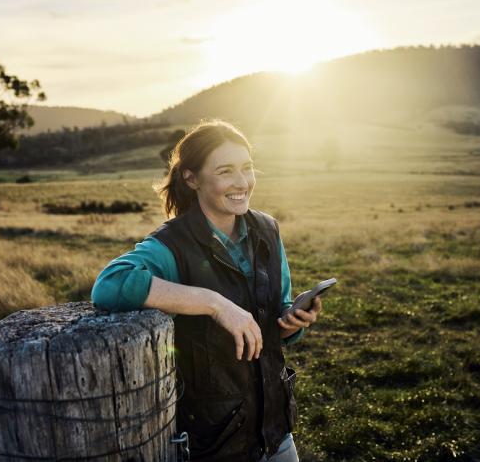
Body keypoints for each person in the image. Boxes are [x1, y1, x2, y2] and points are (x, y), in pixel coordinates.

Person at [91, 119, 322, 461]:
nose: (242, 182)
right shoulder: (171, 246)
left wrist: (290, 322)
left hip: (275, 430)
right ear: (191, 178)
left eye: (247, 168)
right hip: (213, 442)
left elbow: (278, 312)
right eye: (226, 171)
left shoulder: (267, 230)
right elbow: (109, 285)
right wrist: (213, 303)